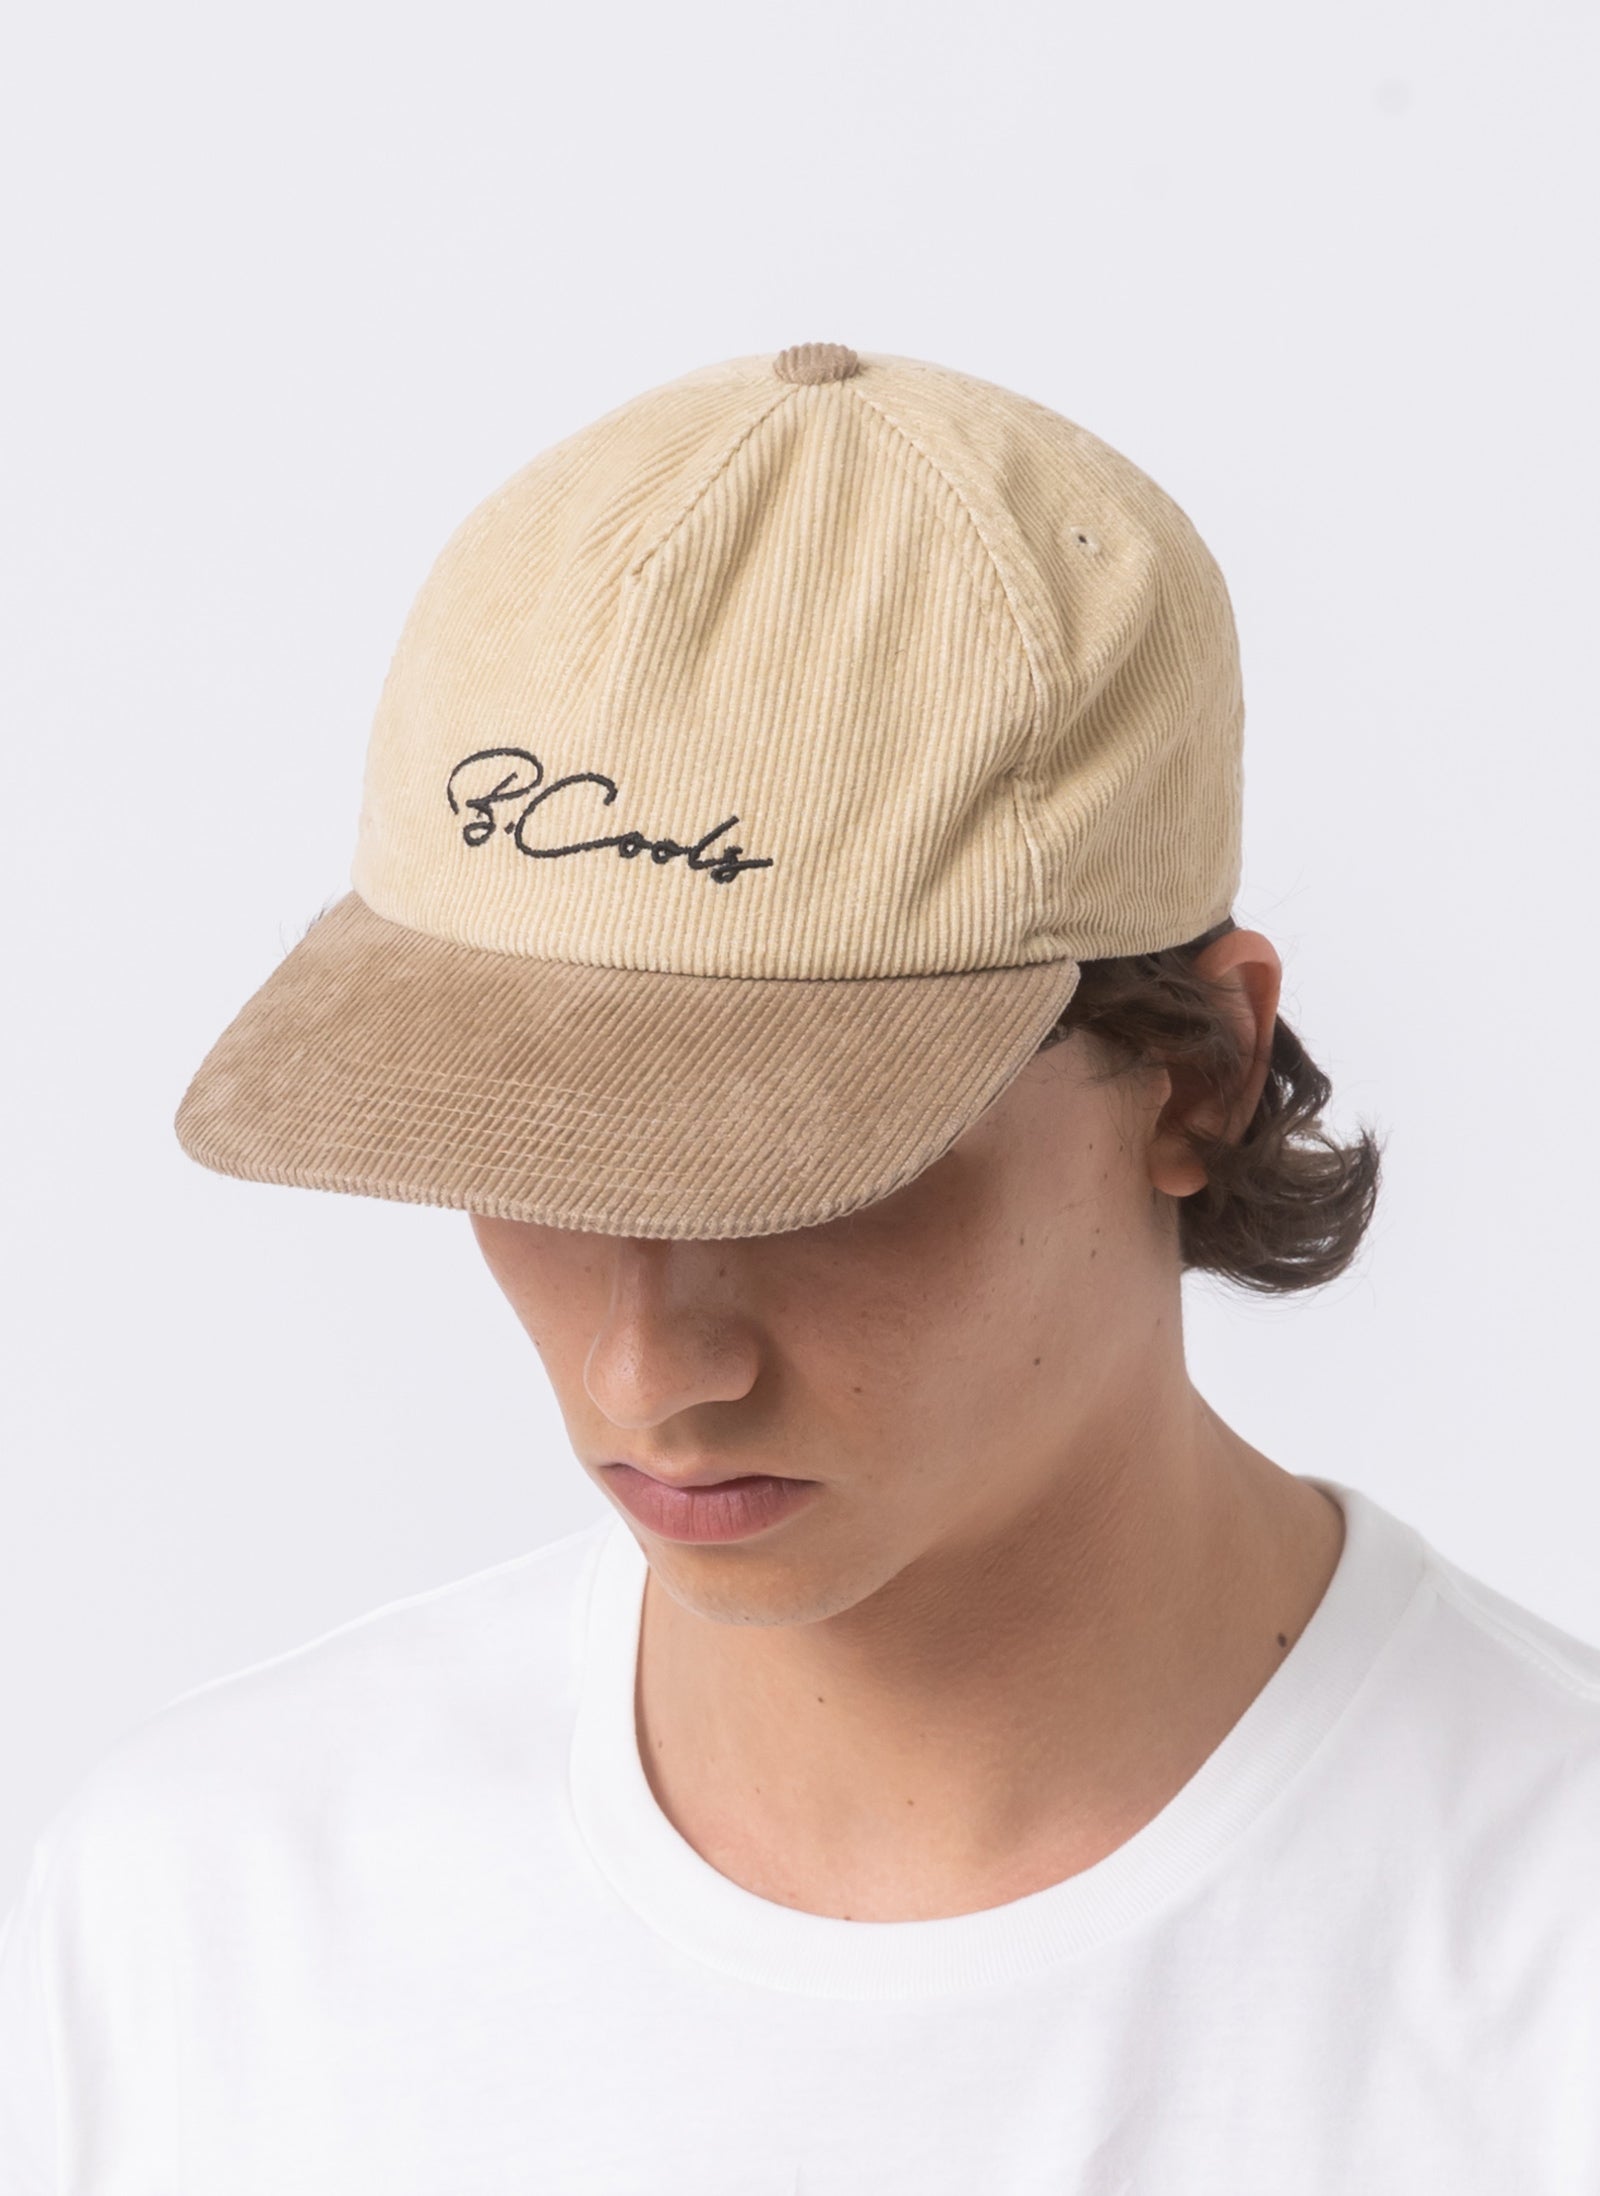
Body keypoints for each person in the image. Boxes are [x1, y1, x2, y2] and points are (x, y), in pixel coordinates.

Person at [2, 340, 1596, 2192]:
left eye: (812, 1174)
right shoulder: (205, 1926)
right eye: (530, 1153)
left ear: (1203, 1076)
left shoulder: (1541, 1962)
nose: (645, 1373)